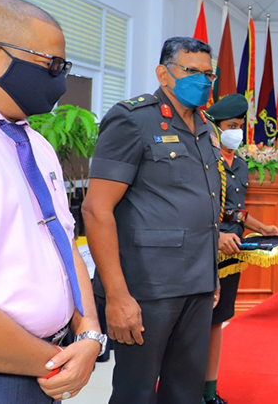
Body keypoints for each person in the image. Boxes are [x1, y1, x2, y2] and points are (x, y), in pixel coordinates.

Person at [82, 37, 225, 404]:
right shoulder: (133, 119)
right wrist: (117, 296)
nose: (203, 81)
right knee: (137, 392)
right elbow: (96, 209)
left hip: (197, 284)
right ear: (164, 74)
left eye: (208, 74)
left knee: (185, 391)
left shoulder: (205, 126)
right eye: (192, 72)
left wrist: (210, 275)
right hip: (147, 288)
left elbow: (205, 209)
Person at [0, 0, 104, 403]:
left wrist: (89, 333)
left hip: (52, 360)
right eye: (50, 65)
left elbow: (63, 242)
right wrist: (55, 362)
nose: (59, 80)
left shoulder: (36, 144)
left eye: (64, 67)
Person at [200, 93, 278, 404]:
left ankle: (210, 392)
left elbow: (235, 211)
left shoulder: (242, 164)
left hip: (231, 254)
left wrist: (262, 227)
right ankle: (184, 390)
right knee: (194, 325)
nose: (236, 132)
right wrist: (217, 234)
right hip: (205, 251)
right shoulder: (207, 160)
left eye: (239, 126)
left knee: (217, 322)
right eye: (230, 126)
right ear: (216, 128)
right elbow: (200, 209)